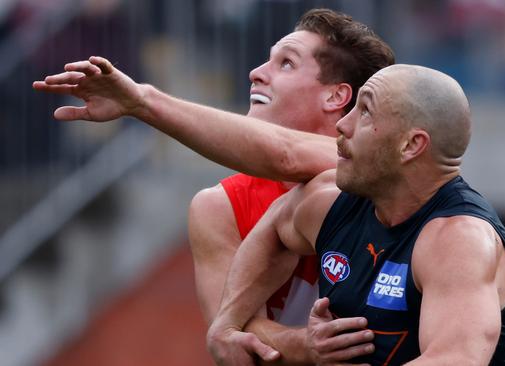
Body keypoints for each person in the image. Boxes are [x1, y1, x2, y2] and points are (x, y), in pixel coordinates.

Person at [33, 8, 395, 364]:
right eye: (267, 60)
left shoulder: (380, 168)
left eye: (285, 63)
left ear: (336, 96)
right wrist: (311, 346)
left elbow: (285, 154)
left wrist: (141, 101)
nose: (255, 73)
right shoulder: (219, 205)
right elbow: (233, 335)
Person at [210, 64, 505, 365]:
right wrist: (228, 322)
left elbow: (455, 360)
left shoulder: (459, 240)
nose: (343, 125)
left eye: (366, 111)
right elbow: (275, 227)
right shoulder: (330, 200)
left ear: (411, 145)